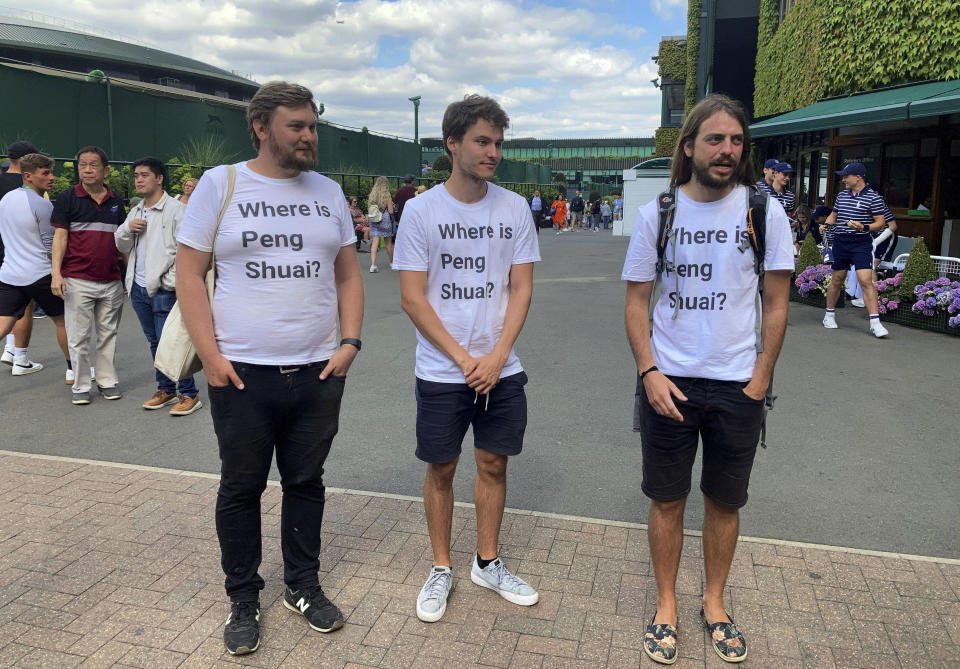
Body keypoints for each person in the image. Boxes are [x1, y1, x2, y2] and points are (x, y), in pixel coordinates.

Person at [176, 81, 363, 656]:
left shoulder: (328, 192)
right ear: (261, 128)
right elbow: (189, 274)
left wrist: (350, 342)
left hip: (317, 372)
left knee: (306, 482)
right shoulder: (221, 184)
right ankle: (243, 596)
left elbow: (348, 274)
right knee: (242, 487)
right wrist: (209, 355)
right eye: (297, 126)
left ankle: (301, 586)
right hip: (242, 374)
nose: (310, 136)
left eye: (313, 126)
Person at [623, 94, 793, 665]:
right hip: (669, 383)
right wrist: (648, 370)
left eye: (736, 141)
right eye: (715, 139)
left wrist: (760, 376)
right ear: (689, 145)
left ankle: (714, 602)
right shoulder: (659, 214)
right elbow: (636, 301)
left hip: (738, 386)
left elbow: (775, 303)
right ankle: (666, 603)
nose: (727, 150)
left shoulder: (764, 213)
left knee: (724, 502)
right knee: (667, 500)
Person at [393, 94, 541, 624]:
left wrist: (497, 356)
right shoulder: (422, 210)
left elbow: (521, 289)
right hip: (442, 369)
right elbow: (413, 296)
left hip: (502, 367)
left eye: (499, 142)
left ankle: (487, 561)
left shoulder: (514, 207)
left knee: (494, 464)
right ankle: (440, 566)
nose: (493, 152)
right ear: (452, 143)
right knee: (442, 468)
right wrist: (463, 359)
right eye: (482, 141)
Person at [115, 157, 201, 416]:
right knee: (154, 341)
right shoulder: (137, 210)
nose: (138, 180)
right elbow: (120, 244)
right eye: (136, 176)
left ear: (159, 178)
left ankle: (189, 393)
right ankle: (166, 388)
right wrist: (128, 229)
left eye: (144, 175)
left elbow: (187, 251)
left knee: (172, 341)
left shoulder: (176, 210)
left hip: (164, 288)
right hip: (138, 287)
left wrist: (169, 281)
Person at [51, 146, 126, 405]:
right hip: (77, 279)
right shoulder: (67, 198)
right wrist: (56, 275)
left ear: (105, 170)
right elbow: (60, 238)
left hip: (111, 281)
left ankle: (106, 380)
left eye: (93, 165)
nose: (87, 169)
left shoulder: (116, 202)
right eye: (82, 164)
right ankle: (82, 385)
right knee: (79, 336)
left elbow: (122, 242)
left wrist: (126, 277)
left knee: (108, 335)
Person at [0, 153, 70, 375]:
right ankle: (74, 371)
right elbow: (52, 247)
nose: (51, 177)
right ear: (28, 176)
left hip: (10, 274)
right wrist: (59, 274)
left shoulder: (6, 199)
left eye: (51, 172)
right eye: (45, 173)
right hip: (41, 275)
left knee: (4, 325)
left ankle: (21, 360)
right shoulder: (43, 206)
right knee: (64, 322)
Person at [821, 162, 889, 337]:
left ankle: (875, 322)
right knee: (837, 279)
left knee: (865, 280)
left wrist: (863, 227)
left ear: (858, 177)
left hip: (861, 242)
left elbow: (881, 223)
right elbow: (834, 215)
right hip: (841, 241)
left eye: (846, 176)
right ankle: (829, 315)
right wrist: (827, 224)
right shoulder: (841, 196)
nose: (843, 179)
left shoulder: (874, 198)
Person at [0, 141, 43, 371]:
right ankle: (20, 357)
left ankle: (10, 349)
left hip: (4, 251)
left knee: (6, 305)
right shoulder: (30, 185)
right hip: (20, 252)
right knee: (25, 303)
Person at [366, 176, 395, 273]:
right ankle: (392, 263)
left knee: (375, 242)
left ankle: (373, 265)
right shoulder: (387, 195)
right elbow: (390, 211)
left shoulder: (372, 195)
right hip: (385, 219)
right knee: (388, 243)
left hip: (374, 219)